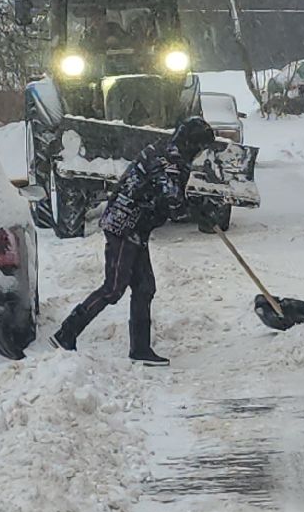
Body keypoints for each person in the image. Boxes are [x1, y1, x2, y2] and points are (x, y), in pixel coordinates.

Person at [50, 116, 217, 366]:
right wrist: (200, 210)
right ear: (193, 143)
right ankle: (66, 333)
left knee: (144, 287)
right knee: (113, 287)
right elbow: (172, 202)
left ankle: (140, 349)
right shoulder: (168, 161)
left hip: (137, 227)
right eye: (201, 148)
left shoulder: (167, 151)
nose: (201, 154)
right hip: (124, 226)